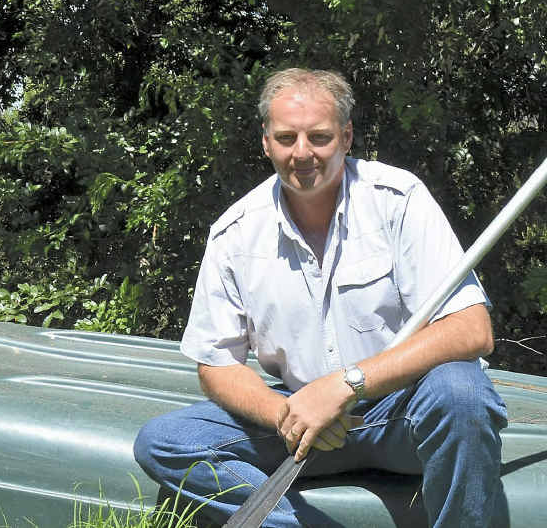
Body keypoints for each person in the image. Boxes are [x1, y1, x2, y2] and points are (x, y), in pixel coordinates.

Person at [133, 69, 508, 527]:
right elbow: (216, 365)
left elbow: (471, 329)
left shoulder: (399, 200)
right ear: (266, 142)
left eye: (320, 136)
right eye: (287, 137)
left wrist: (346, 384)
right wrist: (287, 414)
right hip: (304, 427)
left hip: (403, 413)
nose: (302, 153)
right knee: (166, 441)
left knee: (462, 392)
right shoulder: (235, 233)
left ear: (347, 138)